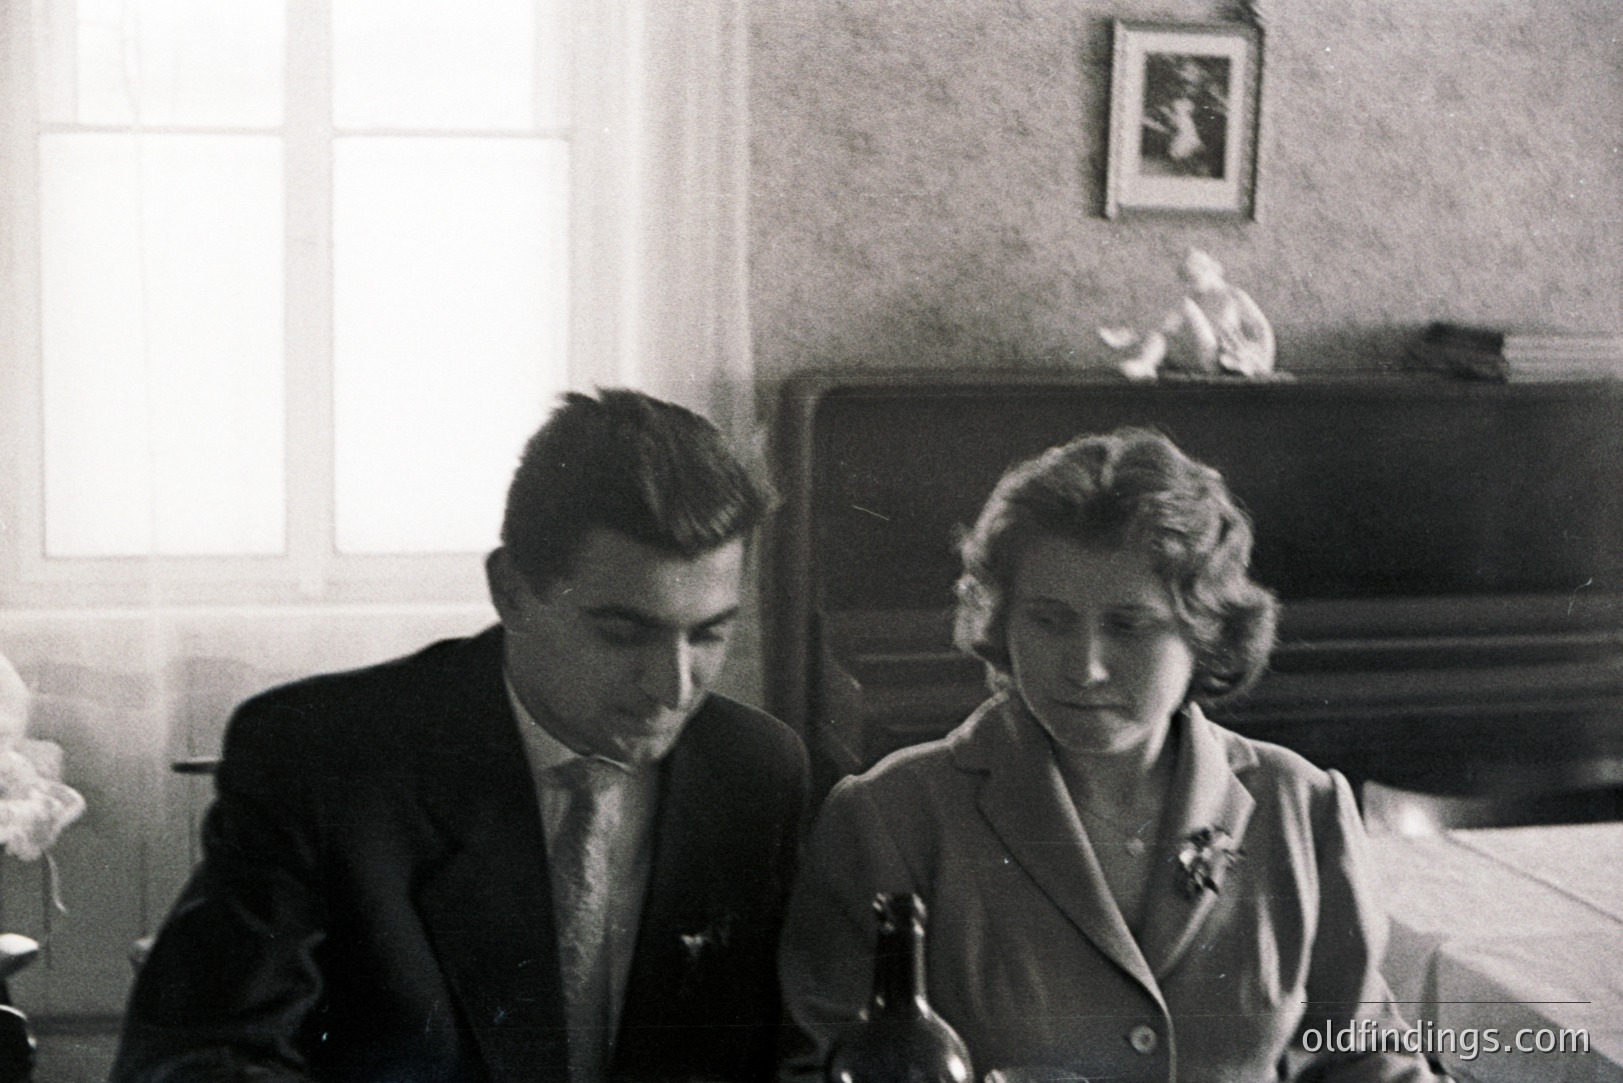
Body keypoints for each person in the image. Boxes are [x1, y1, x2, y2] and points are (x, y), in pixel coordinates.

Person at [114, 389, 810, 1083]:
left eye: (708, 632)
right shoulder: (320, 759)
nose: (675, 686)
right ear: (510, 590)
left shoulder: (759, 773)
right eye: (623, 632)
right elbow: (199, 1058)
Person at [778, 429, 1444, 1082]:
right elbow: (826, 1066)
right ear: (1002, 622)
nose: (1085, 668)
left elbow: (1362, 1058)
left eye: (1128, 626)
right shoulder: (889, 818)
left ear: (1205, 632)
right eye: (1047, 619)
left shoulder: (1301, 805)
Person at [1100, 248, 1276, 380]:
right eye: (1186, 279)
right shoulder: (1196, 299)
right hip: (1194, 356)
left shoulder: (1234, 295)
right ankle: (1146, 363)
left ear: (1212, 271)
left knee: (1183, 304)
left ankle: (1130, 334)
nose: (1190, 284)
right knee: (1160, 334)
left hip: (1218, 359)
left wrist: (1264, 364)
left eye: (1193, 278)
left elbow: (1261, 328)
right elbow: (1171, 327)